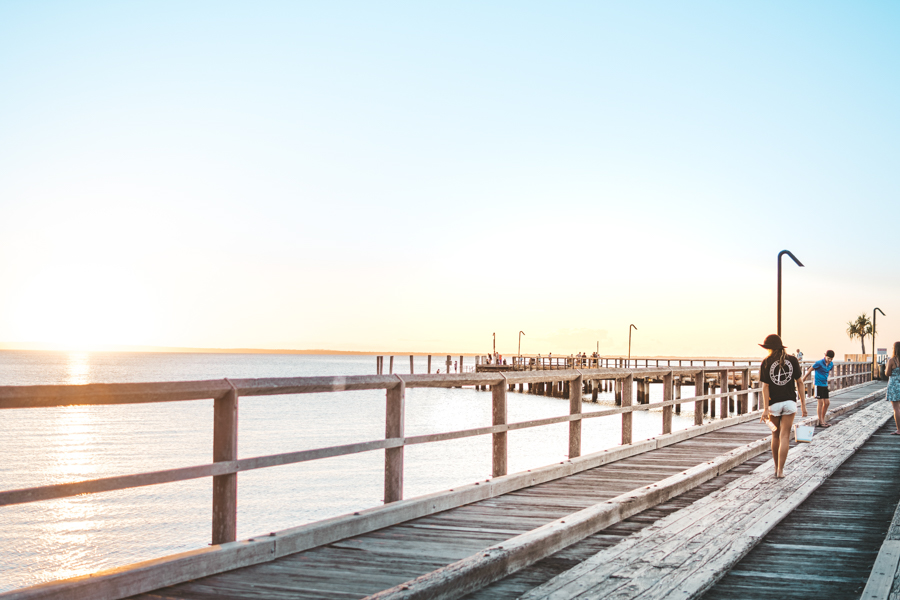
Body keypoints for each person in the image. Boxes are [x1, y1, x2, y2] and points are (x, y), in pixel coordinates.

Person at [759, 334, 807, 478]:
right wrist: (803, 405)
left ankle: (775, 467)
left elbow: (765, 387)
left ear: (768, 348)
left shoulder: (766, 362)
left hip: (774, 404)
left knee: (775, 435)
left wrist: (766, 409)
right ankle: (781, 471)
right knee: (785, 436)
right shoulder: (792, 360)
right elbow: (800, 382)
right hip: (790, 403)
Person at [803, 350, 835, 427]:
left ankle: (823, 419)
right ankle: (821, 421)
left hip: (825, 384)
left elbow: (828, 372)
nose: (829, 360)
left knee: (827, 403)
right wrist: (803, 378)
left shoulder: (831, 364)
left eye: (831, 359)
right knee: (820, 403)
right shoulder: (819, 363)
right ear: (825, 356)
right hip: (818, 384)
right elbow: (810, 369)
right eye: (828, 358)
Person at [887, 342, 900, 434]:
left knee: (896, 408)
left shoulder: (892, 360)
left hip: (894, 385)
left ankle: (899, 430)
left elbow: (888, 373)